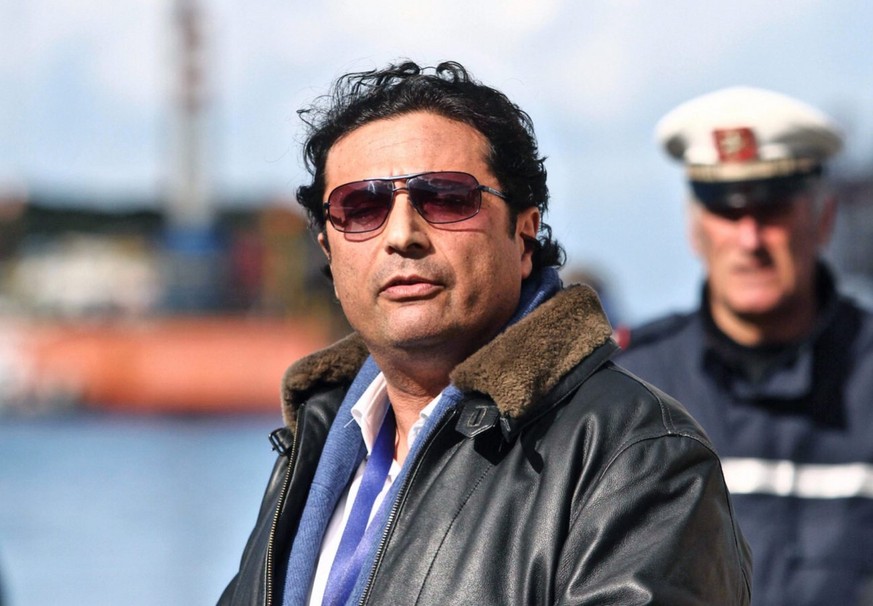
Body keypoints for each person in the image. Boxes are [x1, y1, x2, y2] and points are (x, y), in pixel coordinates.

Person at [219, 61, 751, 606]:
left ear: (524, 233)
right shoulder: (314, 438)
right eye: (362, 207)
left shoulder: (635, 455)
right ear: (329, 252)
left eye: (447, 198)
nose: (402, 235)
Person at [616, 86, 873, 606]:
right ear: (695, 229)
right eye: (727, 213)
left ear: (822, 220)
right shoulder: (630, 386)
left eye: (773, 210)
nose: (750, 240)